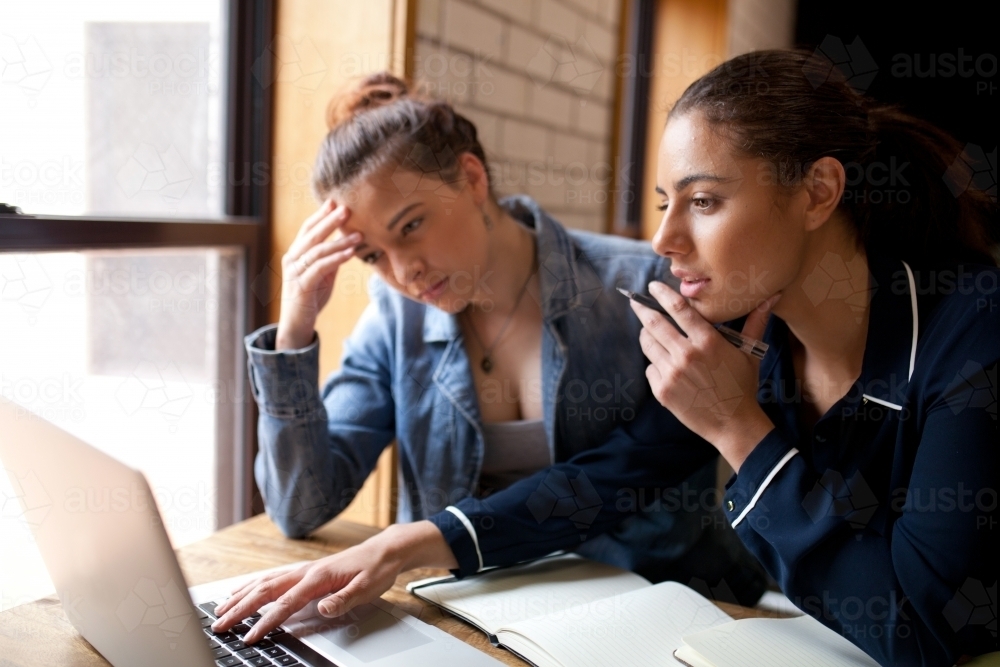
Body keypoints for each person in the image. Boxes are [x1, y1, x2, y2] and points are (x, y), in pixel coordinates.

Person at [212, 73, 767, 641]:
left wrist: (408, 542)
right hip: (461, 625)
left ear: (472, 178)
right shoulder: (394, 320)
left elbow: (628, 476)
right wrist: (295, 329)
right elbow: (299, 507)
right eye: (374, 255)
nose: (405, 272)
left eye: (412, 226)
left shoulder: (643, 288)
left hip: (652, 616)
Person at [629, 51, 997, 665]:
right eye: (667, 201)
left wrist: (737, 428)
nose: (662, 240)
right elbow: (617, 474)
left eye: (703, 202)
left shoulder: (975, 336)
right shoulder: (756, 331)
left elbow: (927, 634)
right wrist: (434, 537)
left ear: (818, 192)